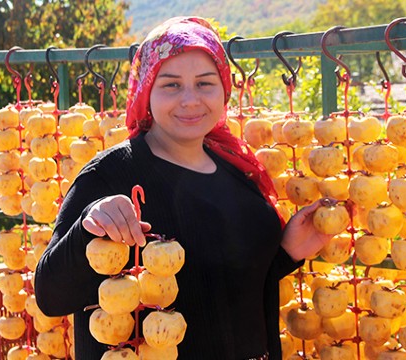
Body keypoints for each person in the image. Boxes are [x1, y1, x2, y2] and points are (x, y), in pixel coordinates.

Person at [35, 16, 332, 360]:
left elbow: (223, 284)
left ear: (224, 89)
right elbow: (50, 295)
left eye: (205, 83)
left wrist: (285, 253)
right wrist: (90, 225)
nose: (190, 100)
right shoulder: (110, 175)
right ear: (146, 91)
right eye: (171, 85)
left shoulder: (237, 171)